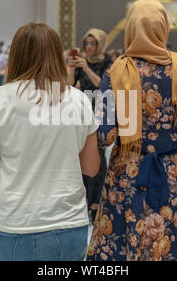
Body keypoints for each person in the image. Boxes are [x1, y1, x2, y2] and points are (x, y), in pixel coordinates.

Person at [86, 0, 177, 261]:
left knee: (124, 247)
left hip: (129, 177)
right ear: (163, 28)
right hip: (175, 177)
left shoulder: (117, 71)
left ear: (131, 30)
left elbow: (104, 135)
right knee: (174, 245)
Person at [0, 23, 100, 261]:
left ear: (16, 55)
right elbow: (91, 167)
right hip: (67, 221)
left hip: (8, 221)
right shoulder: (79, 100)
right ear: (56, 54)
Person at [68, 29, 111, 222]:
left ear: (100, 44)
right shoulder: (81, 63)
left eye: (93, 43)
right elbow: (69, 85)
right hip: (82, 112)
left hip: (101, 112)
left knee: (98, 156)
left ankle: (96, 202)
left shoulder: (108, 62)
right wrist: (71, 67)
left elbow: (104, 86)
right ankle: (84, 199)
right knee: (80, 154)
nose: (89, 47)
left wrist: (86, 68)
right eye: (87, 44)